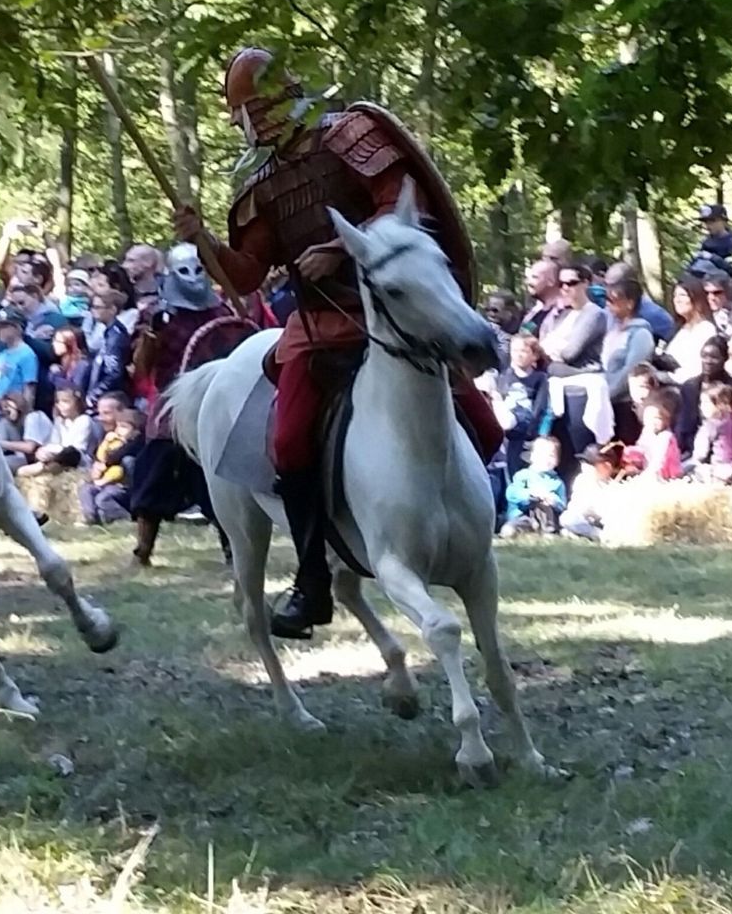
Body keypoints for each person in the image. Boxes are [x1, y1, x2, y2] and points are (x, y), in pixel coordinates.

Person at [173, 46, 495, 638]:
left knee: (485, 422)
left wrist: (347, 246)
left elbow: (404, 205)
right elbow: (245, 275)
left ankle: (464, 528)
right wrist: (204, 244)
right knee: (291, 444)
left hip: (398, 313)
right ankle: (313, 580)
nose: (247, 125)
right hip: (319, 329)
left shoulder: (350, 134)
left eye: (247, 111)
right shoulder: (260, 184)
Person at [128, 242, 243, 566]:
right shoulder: (157, 314)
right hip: (172, 404)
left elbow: (236, 355)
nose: (192, 277)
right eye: (184, 271)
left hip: (212, 402)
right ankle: (143, 548)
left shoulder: (222, 312)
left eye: (197, 270)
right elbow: (141, 368)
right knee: (154, 473)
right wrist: (152, 335)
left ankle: (233, 548)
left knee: (218, 477)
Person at [495, 332, 551, 479]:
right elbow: (499, 396)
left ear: (534, 356)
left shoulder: (540, 378)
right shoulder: (505, 375)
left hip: (523, 430)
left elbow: (540, 408)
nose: (518, 355)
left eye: (524, 351)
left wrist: (535, 435)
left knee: (516, 467)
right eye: (515, 351)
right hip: (504, 430)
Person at [77, 408, 142, 525]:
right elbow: (100, 455)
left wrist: (104, 479)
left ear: (135, 432)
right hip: (104, 481)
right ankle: (90, 517)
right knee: (86, 490)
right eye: (117, 426)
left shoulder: (134, 446)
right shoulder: (111, 440)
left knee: (103, 499)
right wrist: (98, 464)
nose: (118, 430)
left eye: (124, 427)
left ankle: (127, 519)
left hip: (120, 485)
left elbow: (118, 468)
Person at [541, 264, 606, 375]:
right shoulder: (564, 313)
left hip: (581, 373)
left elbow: (570, 353)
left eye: (571, 283)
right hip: (554, 371)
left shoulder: (594, 314)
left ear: (585, 283)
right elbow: (542, 344)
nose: (565, 288)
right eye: (561, 284)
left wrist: (551, 347)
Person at [18, 388, 99, 477]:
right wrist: (43, 452)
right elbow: (53, 442)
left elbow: (75, 451)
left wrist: (52, 451)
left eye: (65, 402)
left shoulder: (84, 420)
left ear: (77, 402)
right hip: (58, 458)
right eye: (58, 402)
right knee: (22, 471)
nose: (61, 406)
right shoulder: (59, 421)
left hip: (78, 464)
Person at [675, 338, 732, 457]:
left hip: (723, 449)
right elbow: (683, 424)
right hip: (692, 447)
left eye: (714, 357)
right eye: (704, 356)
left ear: (725, 359)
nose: (708, 361)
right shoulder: (690, 387)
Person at [500, 436, 566, 536]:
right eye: (541, 454)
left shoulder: (557, 482)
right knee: (509, 530)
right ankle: (516, 529)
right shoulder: (523, 475)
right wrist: (529, 494)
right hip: (523, 515)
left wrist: (553, 500)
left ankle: (548, 532)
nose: (546, 459)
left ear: (557, 461)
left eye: (551, 456)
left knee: (544, 507)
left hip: (546, 518)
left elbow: (562, 504)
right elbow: (511, 493)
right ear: (532, 456)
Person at [661, 277, 718, 382]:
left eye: (682, 295)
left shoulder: (706, 329)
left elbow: (698, 369)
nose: (677, 300)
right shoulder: (678, 329)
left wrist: (669, 376)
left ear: (696, 298)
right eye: (675, 296)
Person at [559, 443, 619, 542]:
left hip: (602, 521)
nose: (584, 466)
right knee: (567, 519)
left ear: (607, 467)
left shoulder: (612, 486)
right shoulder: (582, 480)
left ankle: (588, 534)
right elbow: (579, 507)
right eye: (583, 462)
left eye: (591, 464)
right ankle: (598, 535)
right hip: (583, 519)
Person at [605, 262, 675, 342]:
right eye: (606, 285)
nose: (608, 290)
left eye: (613, 286)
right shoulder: (609, 310)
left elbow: (671, 338)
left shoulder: (654, 314)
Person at [85, 291, 132, 409]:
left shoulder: (115, 336)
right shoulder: (109, 332)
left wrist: (94, 396)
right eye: (92, 306)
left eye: (97, 307)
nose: (93, 311)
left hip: (110, 397)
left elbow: (113, 373)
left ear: (112, 310)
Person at [0, 306, 40, 409]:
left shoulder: (27, 354)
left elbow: (29, 389)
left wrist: (25, 413)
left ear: (18, 328)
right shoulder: (2, 353)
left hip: (14, 407)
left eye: (4, 326)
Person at [688, 383, 732, 480]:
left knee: (687, 466)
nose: (701, 407)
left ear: (721, 405)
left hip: (717, 467)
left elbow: (700, 454)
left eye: (706, 402)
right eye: (701, 403)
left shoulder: (710, 425)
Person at [0, 391, 52, 473]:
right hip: (25, 458)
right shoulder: (6, 423)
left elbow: (29, 448)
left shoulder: (33, 417)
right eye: (3, 408)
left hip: (46, 458)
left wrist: (1, 443)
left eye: (7, 406)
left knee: (2, 464)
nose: (5, 410)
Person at [628, 395, 681, 481]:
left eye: (657, 418)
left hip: (666, 473)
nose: (652, 422)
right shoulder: (646, 433)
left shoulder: (666, 437)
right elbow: (641, 447)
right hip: (649, 468)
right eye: (648, 418)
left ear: (666, 420)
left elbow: (660, 460)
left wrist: (647, 474)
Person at [689, 202, 732, 281]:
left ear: (723, 221)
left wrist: (712, 258)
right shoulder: (706, 241)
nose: (708, 225)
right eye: (706, 222)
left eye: (712, 221)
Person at [520, 258, 561, 335]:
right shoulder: (535, 313)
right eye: (529, 278)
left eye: (534, 277)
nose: (528, 282)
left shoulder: (563, 313)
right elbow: (524, 335)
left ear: (551, 281)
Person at [49, 327, 90, 398]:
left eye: (57, 341)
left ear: (70, 344)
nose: (53, 344)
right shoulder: (64, 361)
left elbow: (75, 390)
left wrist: (56, 375)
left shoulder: (82, 365)